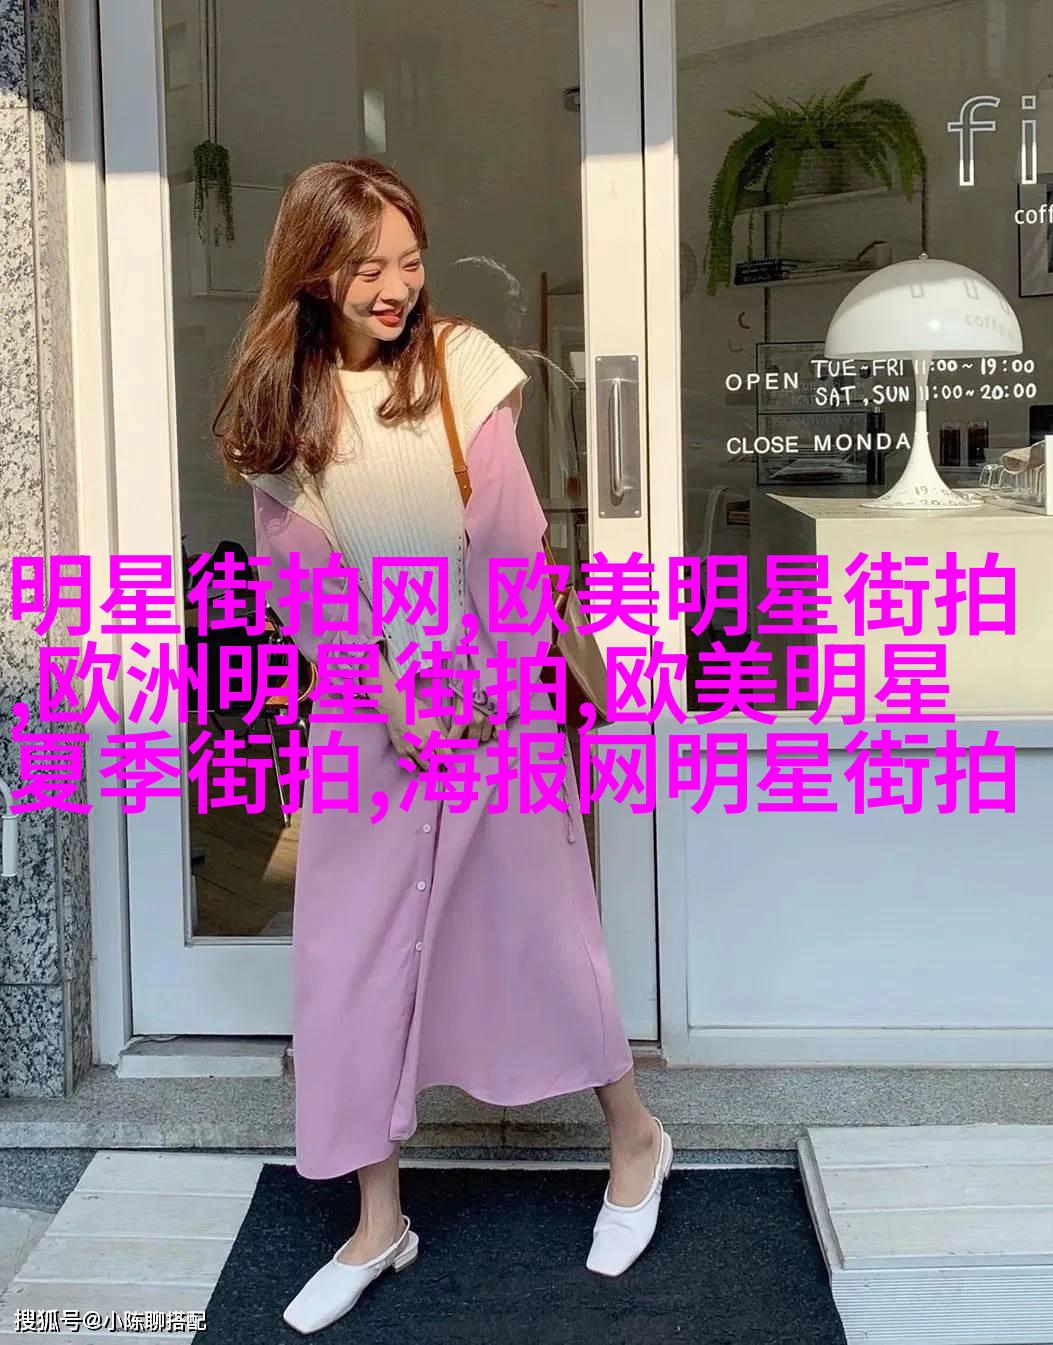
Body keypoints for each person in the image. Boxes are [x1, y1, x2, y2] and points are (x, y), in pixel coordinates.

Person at [213, 156, 672, 1335]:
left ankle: (636, 1139)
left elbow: (511, 545)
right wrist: (388, 697)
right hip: (364, 719)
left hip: (495, 707)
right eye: (367, 265)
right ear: (313, 271)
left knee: (547, 929)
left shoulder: (464, 366)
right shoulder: (285, 408)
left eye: (409, 261)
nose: (395, 286)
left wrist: (492, 686)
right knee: (353, 962)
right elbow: (303, 586)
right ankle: (380, 1221)